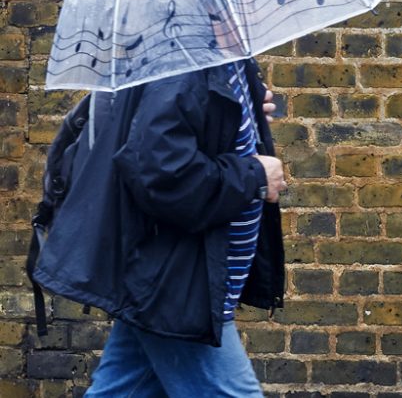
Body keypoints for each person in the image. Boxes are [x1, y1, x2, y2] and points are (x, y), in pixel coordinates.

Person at [31, 57, 287, 397]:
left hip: (170, 276)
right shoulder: (182, 65)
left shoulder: (224, 62)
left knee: (120, 390)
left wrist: (243, 109)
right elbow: (161, 172)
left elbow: (194, 135)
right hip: (173, 281)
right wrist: (254, 176)